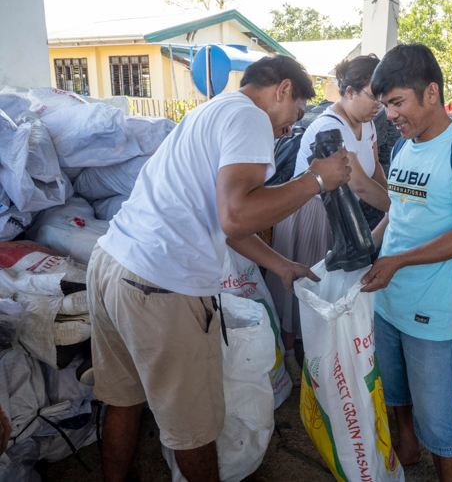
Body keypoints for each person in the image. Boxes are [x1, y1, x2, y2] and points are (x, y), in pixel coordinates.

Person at [86, 55, 352, 482]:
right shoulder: (248, 118)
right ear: (282, 89)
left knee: (124, 401)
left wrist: (281, 265)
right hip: (159, 288)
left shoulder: (210, 111)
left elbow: (222, 220)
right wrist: (315, 181)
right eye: (296, 113)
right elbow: (236, 216)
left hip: (112, 266)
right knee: (192, 428)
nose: (289, 128)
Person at [362, 44, 452, 482]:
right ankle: (406, 445)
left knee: (438, 417)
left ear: (432, 93)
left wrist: (398, 261)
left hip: (431, 307)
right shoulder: (405, 147)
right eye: (385, 106)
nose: (390, 115)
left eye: (397, 102)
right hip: (387, 298)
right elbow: (397, 210)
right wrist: (370, 246)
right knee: (395, 389)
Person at [265, 55, 390, 384]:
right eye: (373, 97)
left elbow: (375, 169)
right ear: (349, 92)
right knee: (301, 284)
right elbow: (359, 183)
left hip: (340, 212)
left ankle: (315, 355)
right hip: (309, 211)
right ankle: (290, 356)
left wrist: (393, 198)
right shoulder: (329, 126)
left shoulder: (368, 122)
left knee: (323, 285)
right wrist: (400, 210)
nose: (379, 106)